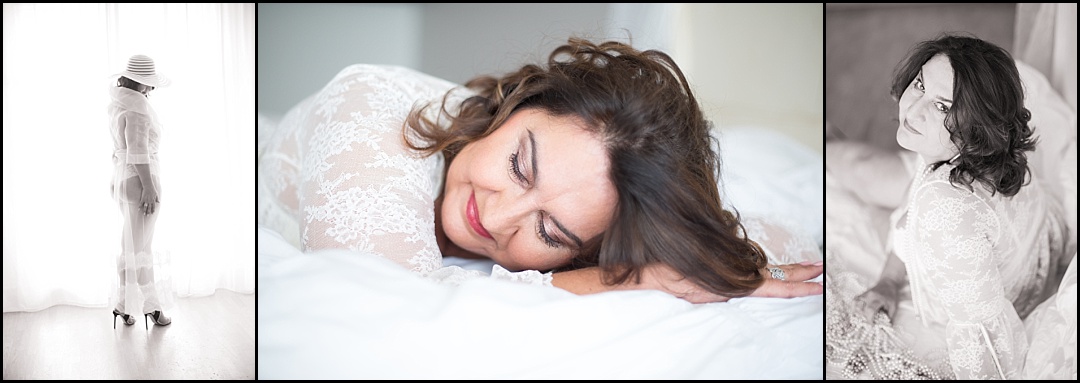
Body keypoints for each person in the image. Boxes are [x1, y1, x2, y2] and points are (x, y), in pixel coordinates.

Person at [257, 37, 823, 304]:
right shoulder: (375, 113)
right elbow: (384, 304)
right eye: (519, 166)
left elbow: (772, 242)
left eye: (550, 232)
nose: (498, 216)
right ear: (517, 104)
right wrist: (636, 278)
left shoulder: (596, 222)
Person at [824, 34, 1070, 379]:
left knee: (867, 190)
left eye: (942, 106)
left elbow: (983, 337)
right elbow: (913, 217)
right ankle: (828, 140)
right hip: (1026, 234)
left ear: (977, 126)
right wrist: (889, 282)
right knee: (867, 172)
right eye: (920, 85)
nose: (914, 109)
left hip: (998, 251)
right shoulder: (986, 156)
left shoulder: (946, 207)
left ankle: (827, 142)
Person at [108, 54, 175, 329]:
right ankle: (151, 307)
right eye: (148, 84)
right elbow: (138, 151)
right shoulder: (137, 109)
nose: (151, 89)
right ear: (140, 83)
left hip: (122, 179)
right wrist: (149, 187)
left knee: (130, 245)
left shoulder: (118, 102)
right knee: (141, 248)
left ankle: (125, 306)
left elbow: (124, 149)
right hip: (139, 181)